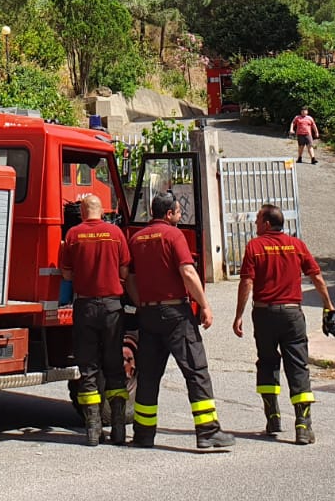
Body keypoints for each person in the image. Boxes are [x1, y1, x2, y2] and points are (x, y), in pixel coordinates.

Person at [126, 193, 234, 452]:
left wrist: (142, 302)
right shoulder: (174, 236)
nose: (180, 215)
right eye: (177, 211)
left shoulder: (136, 238)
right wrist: (205, 305)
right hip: (176, 314)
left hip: (148, 315)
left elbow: (129, 278)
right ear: (169, 214)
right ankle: (208, 431)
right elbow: (187, 272)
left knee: (149, 376)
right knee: (196, 371)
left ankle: (143, 433)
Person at [231, 203, 335, 445]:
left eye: (258, 220)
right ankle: (303, 425)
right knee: (298, 366)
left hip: (264, 315)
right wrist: (329, 306)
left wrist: (238, 315)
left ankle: (273, 417)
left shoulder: (255, 246)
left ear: (267, 223)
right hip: (292, 315)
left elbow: (247, 283)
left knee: (267, 363)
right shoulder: (297, 245)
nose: (256, 224)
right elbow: (317, 277)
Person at [59, 194, 132, 447]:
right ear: (102, 211)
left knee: (88, 368)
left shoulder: (73, 235)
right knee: (114, 365)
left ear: (81, 211)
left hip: (85, 306)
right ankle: (120, 431)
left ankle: (92, 431)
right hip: (112, 306)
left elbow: (66, 273)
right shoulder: (116, 234)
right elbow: (124, 270)